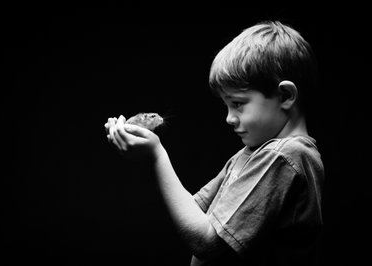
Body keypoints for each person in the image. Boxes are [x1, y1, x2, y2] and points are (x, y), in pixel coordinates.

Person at [105, 20, 324, 266]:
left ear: (285, 96)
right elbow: (192, 210)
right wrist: (141, 148)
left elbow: (206, 242)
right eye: (226, 105)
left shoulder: (283, 156)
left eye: (238, 103)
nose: (229, 118)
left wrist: (157, 155)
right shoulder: (251, 154)